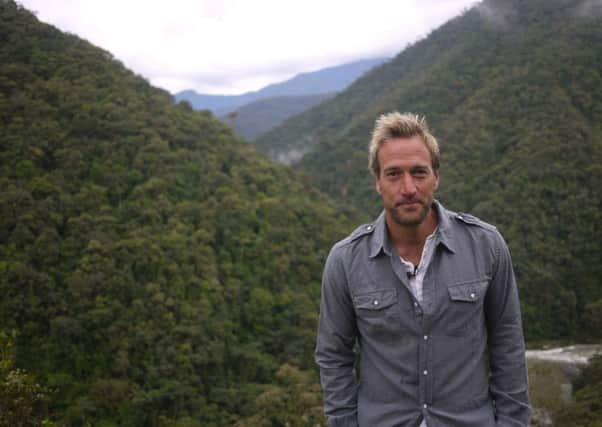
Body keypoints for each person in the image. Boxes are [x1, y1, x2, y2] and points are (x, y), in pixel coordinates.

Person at [315, 112, 531, 427]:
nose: (409, 188)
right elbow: (334, 357)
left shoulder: (486, 246)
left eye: (419, 172)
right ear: (377, 181)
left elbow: (508, 345)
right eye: (393, 174)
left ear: (436, 177)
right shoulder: (346, 261)